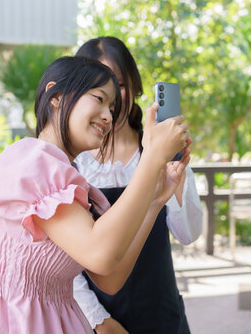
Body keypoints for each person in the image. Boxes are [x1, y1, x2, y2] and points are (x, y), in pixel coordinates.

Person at [0, 56, 191, 333]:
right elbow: (100, 253)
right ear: (56, 96)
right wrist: (152, 156)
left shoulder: (67, 179)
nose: (109, 115)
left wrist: (155, 202)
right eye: (99, 98)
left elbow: (109, 275)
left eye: (112, 107)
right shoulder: (30, 160)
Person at [73, 37, 203, 334]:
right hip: (94, 322)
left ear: (134, 84)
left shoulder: (158, 148)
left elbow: (189, 234)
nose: (111, 98)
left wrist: (176, 176)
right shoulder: (74, 162)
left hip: (163, 316)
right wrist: (99, 321)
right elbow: (61, 264)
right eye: (97, 90)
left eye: (118, 83)